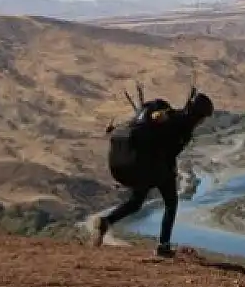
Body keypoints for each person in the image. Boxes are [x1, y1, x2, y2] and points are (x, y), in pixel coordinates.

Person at [91, 85, 215, 257]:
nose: (202, 122)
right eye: (203, 118)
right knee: (171, 203)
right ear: (198, 115)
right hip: (152, 167)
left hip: (139, 164)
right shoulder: (183, 126)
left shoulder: (168, 115)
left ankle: (106, 221)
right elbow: (171, 152)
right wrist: (171, 171)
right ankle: (163, 246)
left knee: (136, 202)